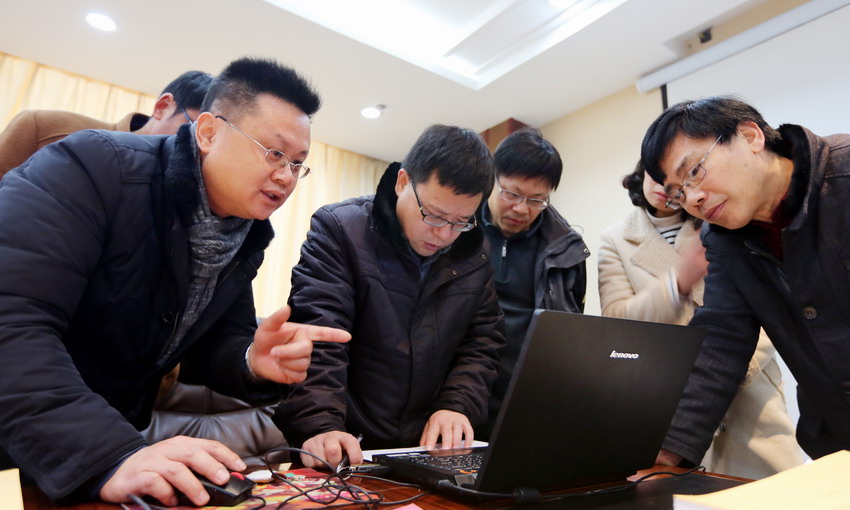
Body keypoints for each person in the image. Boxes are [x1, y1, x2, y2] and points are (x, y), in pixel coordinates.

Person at [0, 57, 350, 505]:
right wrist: (109, 454)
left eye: (298, 164)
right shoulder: (91, 165)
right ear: (208, 132)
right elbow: (12, 320)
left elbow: (212, 346)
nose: (286, 176)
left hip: (93, 454)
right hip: (29, 435)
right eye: (274, 152)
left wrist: (251, 359)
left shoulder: (240, 235)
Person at [640, 95, 850, 466]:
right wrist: (664, 454)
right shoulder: (724, 240)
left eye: (694, 172)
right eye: (678, 193)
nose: (694, 198)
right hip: (848, 451)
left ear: (750, 136)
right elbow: (721, 341)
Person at [273, 124, 506, 469]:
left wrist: (456, 405)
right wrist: (321, 424)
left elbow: (481, 343)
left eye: (461, 221)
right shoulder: (341, 230)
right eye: (433, 215)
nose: (443, 234)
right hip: (346, 443)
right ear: (402, 182)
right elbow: (320, 334)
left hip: (425, 451)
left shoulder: (475, 254)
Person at [598, 162, 804, 478]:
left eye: (676, 179)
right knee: (682, 488)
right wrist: (676, 284)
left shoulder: (723, 221)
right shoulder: (616, 238)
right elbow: (617, 322)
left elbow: (764, 304)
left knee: (774, 488)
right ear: (641, 173)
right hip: (670, 398)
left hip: (750, 387)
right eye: (657, 175)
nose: (665, 187)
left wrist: (726, 367)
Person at [476, 127, 589, 439]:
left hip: (530, 403)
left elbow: (571, 333)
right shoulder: (458, 230)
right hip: (459, 396)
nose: (521, 209)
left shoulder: (567, 251)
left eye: (537, 199)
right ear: (492, 179)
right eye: (511, 194)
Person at [0, 70, 213, 176]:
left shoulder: (185, 186)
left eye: (211, 138)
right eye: (195, 128)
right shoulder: (45, 129)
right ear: (162, 106)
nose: (199, 145)